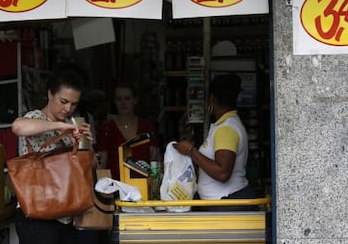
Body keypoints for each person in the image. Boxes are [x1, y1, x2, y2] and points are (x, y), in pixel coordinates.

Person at [11, 63, 94, 244]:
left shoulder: (72, 127)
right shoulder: (36, 117)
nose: (68, 109)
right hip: (37, 213)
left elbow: (88, 169)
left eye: (74, 104)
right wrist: (62, 126)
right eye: (63, 102)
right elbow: (18, 127)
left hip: (66, 214)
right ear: (50, 94)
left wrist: (86, 144)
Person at [174, 73, 257, 211]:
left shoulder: (226, 129)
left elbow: (222, 173)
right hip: (224, 203)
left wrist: (191, 151)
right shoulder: (225, 125)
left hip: (228, 204)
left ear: (211, 98)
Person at [96, 83, 159, 180]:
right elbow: (102, 165)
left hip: (143, 186)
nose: (123, 103)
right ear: (114, 102)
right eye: (119, 99)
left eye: (127, 98)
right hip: (115, 188)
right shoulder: (106, 129)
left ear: (135, 100)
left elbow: (154, 161)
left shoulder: (147, 127)